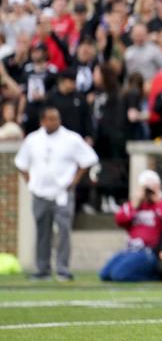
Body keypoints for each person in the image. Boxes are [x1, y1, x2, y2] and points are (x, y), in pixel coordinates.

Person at [14, 106, 98, 281]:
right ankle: (42, 269)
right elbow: (21, 163)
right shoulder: (33, 139)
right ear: (42, 121)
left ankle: (63, 268)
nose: (55, 122)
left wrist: (74, 180)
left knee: (64, 230)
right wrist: (31, 182)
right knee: (42, 231)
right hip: (40, 193)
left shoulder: (71, 138)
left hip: (62, 192)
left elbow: (89, 159)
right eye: (51, 119)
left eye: (57, 118)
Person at [100, 170, 162, 282]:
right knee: (105, 274)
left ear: (159, 186)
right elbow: (119, 220)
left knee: (119, 275)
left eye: (152, 186)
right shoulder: (136, 205)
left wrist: (158, 202)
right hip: (132, 250)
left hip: (153, 252)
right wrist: (135, 204)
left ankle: (160, 276)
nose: (149, 191)